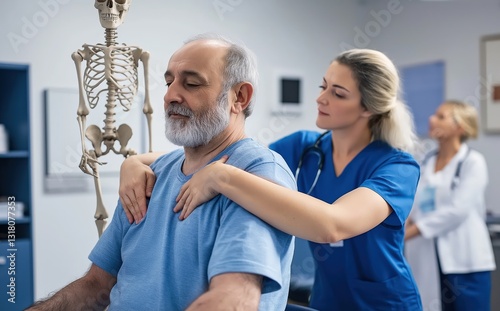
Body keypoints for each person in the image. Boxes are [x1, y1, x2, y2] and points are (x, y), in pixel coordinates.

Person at [119, 48, 424, 310]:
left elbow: (333, 226)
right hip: (326, 299)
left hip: (384, 302)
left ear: (368, 108)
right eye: (323, 86)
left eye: (337, 93)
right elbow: (232, 159)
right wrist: (136, 162)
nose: (321, 98)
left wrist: (223, 178)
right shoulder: (305, 148)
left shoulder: (397, 167)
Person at [27, 34, 296, 311]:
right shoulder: (148, 176)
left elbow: (233, 299)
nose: (170, 96)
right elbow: (97, 286)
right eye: (169, 82)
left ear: (239, 97)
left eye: (191, 83)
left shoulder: (256, 174)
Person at [405, 100, 495, 311]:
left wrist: (411, 232)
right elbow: (414, 203)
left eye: (441, 116)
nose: (431, 119)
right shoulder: (426, 162)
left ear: (460, 127)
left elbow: (457, 210)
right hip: (428, 258)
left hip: (465, 262)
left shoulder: (473, 162)